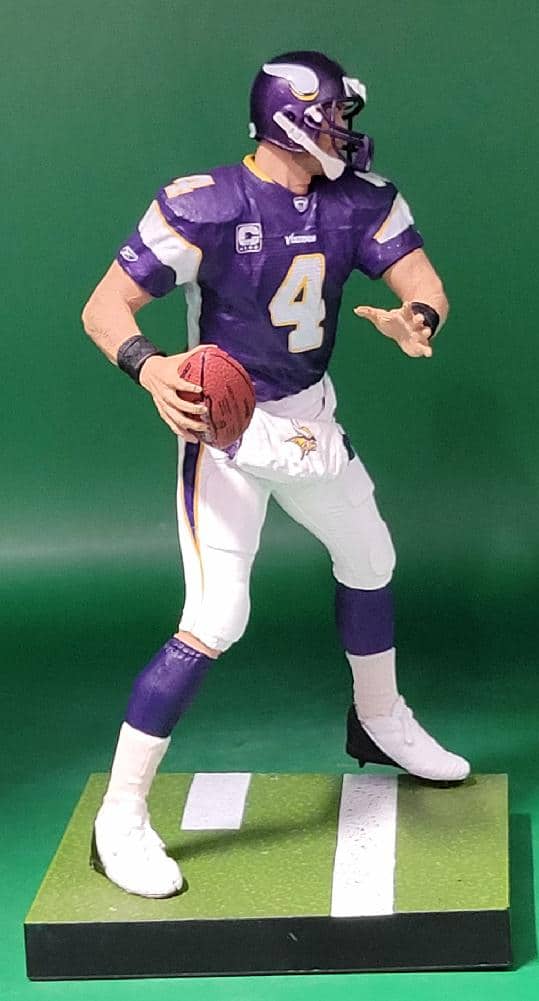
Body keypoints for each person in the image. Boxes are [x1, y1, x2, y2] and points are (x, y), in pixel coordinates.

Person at [81, 51, 469, 899]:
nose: (347, 133)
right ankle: (121, 813)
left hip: (309, 420)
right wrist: (151, 366)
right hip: (226, 428)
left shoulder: (357, 201)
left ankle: (378, 718)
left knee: (370, 559)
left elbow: (422, 281)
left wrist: (417, 317)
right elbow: (102, 307)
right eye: (335, 116)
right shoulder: (207, 203)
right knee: (216, 614)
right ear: (290, 118)